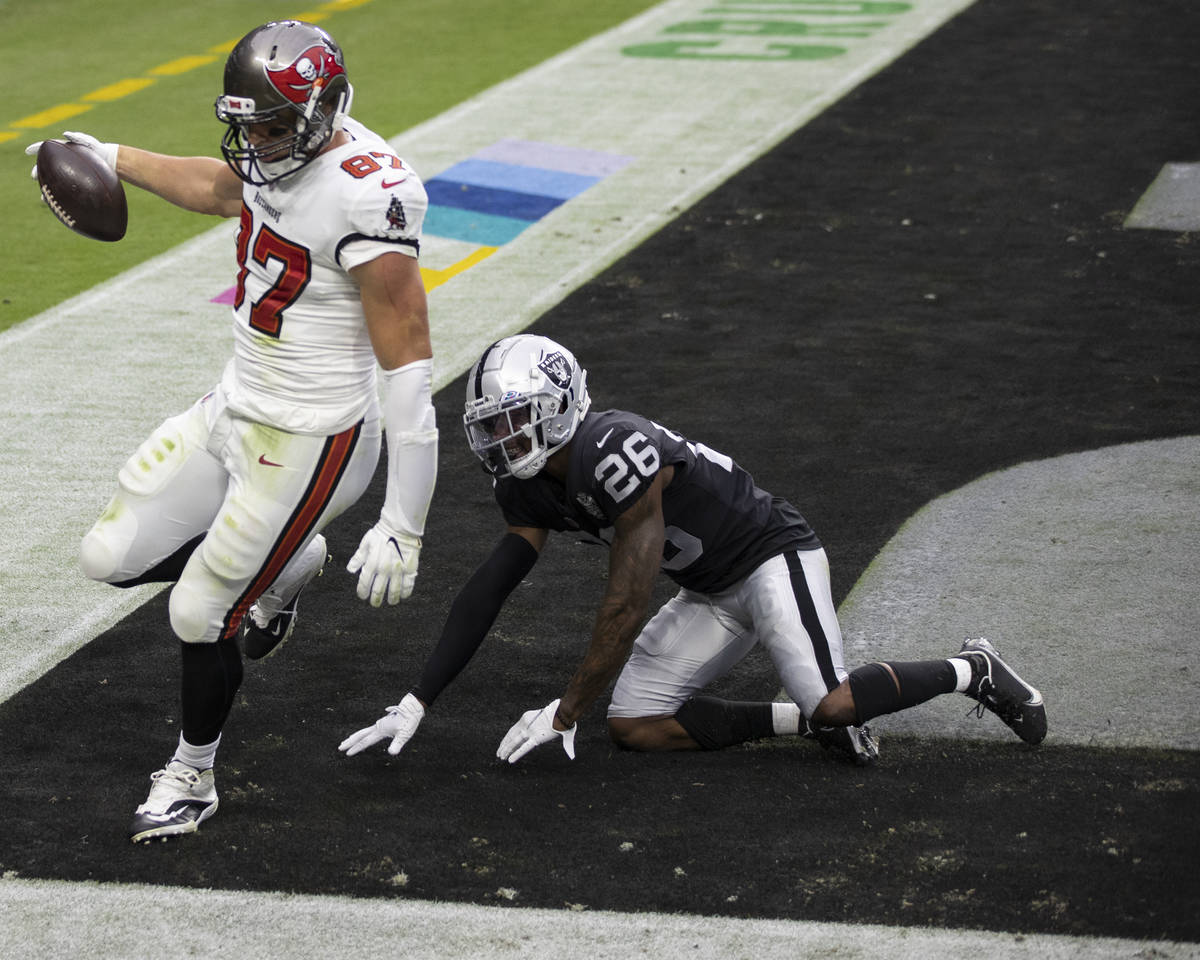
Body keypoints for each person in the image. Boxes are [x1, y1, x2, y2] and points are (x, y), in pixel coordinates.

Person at [29, 21, 438, 842]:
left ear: (321, 110)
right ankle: (287, 565)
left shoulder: (371, 191)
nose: (257, 142)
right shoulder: (271, 148)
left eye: (274, 126)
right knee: (106, 558)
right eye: (248, 124)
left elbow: (408, 363)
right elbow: (223, 189)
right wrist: (116, 158)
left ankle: (192, 774)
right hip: (235, 403)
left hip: (313, 440)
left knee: (198, 612)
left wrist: (404, 520)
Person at [339, 334, 1047, 766]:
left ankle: (971, 668)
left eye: (517, 420)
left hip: (771, 555)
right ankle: (805, 725)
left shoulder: (613, 445)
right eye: (493, 426)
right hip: (708, 589)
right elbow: (491, 585)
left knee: (837, 700)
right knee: (636, 726)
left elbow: (626, 598)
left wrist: (563, 711)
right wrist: (417, 699)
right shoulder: (526, 488)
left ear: (560, 404)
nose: (503, 441)